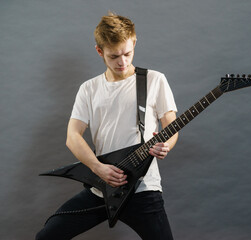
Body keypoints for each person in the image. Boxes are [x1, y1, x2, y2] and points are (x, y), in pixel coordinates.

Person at [36, 12, 178, 240]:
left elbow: (172, 127)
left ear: (134, 43)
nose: (122, 62)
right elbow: (73, 136)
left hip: (143, 188)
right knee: (47, 236)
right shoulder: (89, 89)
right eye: (114, 56)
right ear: (99, 51)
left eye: (127, 53)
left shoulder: (154, 80)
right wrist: (97, 168)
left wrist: (166, 146)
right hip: (102, 185)